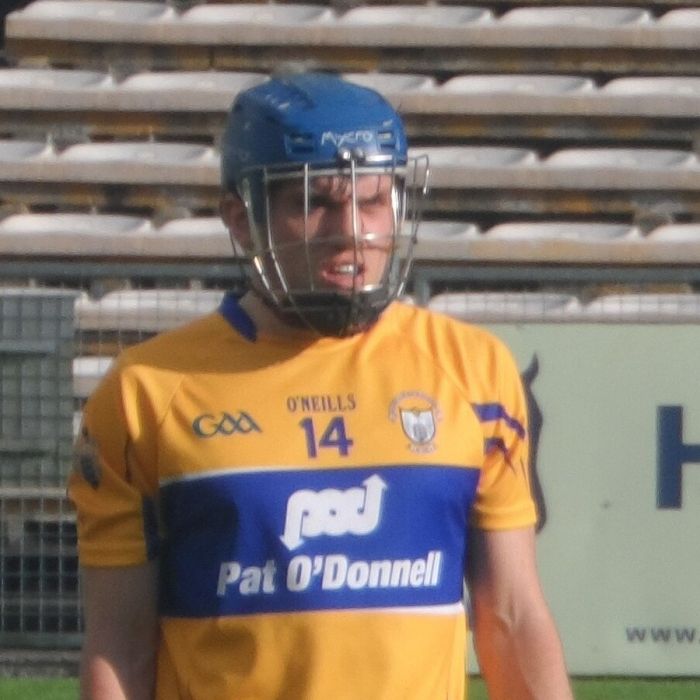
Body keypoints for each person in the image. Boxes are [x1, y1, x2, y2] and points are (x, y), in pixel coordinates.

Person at [69, 72, 573, 700]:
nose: (352, 231)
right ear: (242, 219)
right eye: (314, 203)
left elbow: (512, 617)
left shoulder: (475, 371)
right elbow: (120, 647)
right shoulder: (144, 394)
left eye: (372, 200)